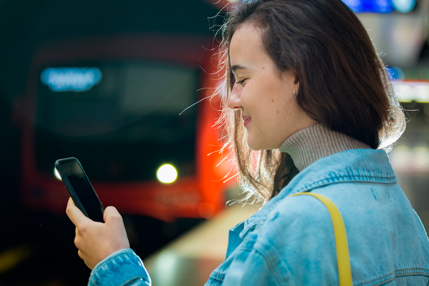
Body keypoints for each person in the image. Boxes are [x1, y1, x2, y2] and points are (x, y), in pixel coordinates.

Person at [66, 0, 429, 285]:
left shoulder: (294, 227)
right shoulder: (401, 213)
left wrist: (112, 265)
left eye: (241, 78)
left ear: (297, 77)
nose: (231, 99)